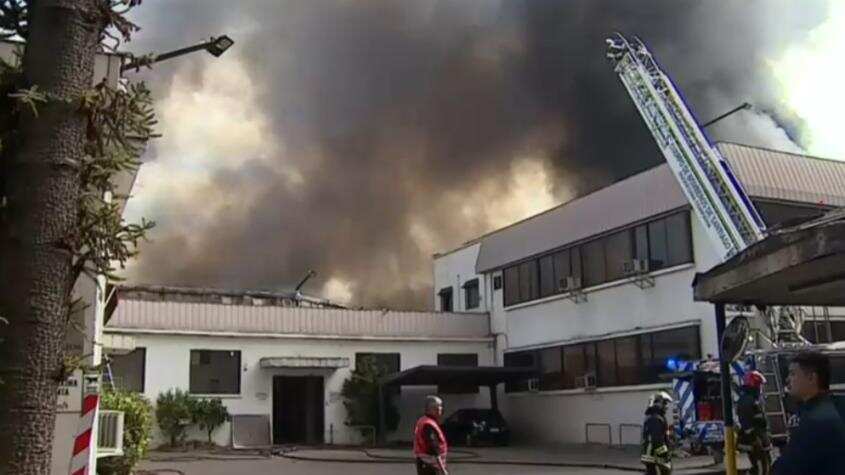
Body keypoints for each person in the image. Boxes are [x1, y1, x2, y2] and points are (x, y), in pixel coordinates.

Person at [773, 351, 845, 475]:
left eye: (793, 374)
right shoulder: (834, 406)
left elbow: (788, 468)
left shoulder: (816, 421)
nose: (787, 379)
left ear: (811, 377)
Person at [737, 370, 772, 475]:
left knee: (762, 464)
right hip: (754, 438)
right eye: (759, 385)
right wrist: (755, 437)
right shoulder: (749, 400)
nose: (760, 388)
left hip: (757, 437)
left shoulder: (748, 399)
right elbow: (749, 421)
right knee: (761, 466)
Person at [413, 395, 448, 475]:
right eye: (439, 406)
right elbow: (433, 448)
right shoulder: (428, 424)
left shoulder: (423, 420)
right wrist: (442, 469)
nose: (441, 408)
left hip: (425, 464)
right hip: (430, 466)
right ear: (432, 408)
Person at [641, 391, 673, 475]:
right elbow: (656, 439)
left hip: (652, 455)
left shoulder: (654, 417)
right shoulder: (656, 418)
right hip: (654, 456)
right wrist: (664, 453)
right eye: (665, 403)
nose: (667, 407)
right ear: (658, 403)